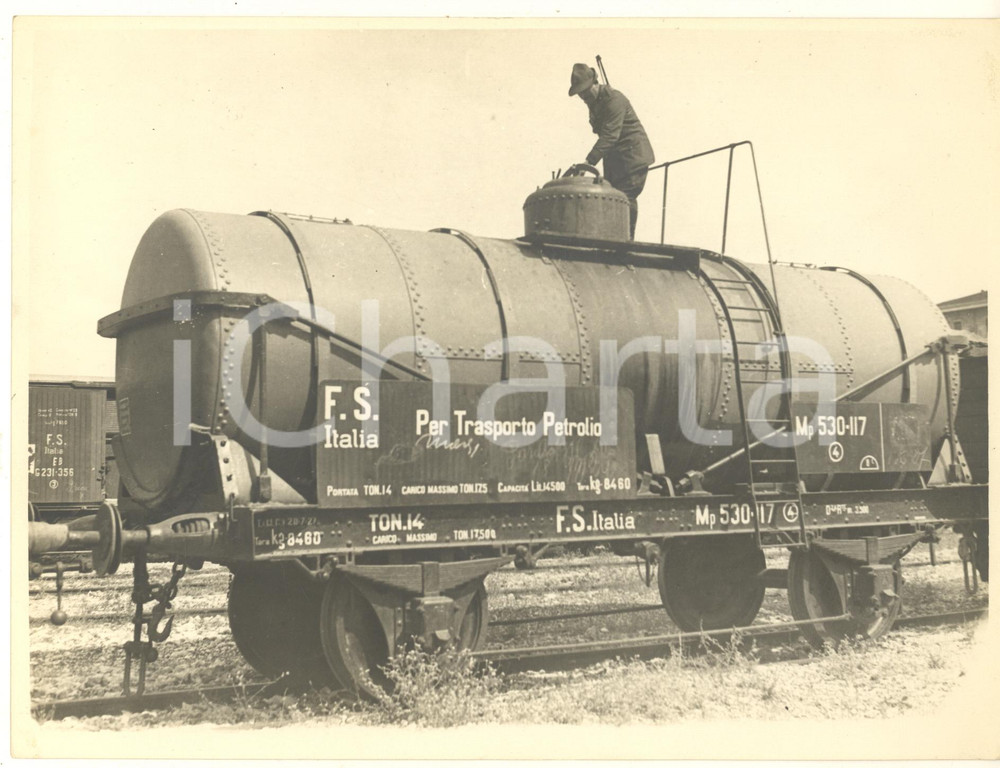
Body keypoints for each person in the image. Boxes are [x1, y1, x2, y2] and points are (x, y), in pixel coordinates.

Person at [568, 63, 655, 240]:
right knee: (613, 198)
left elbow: (609, 135)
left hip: (633, 158)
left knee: (624, 198)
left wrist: (589, 161)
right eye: (580, 94)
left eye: (585, 91)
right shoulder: (595, 103)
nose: (583, 97)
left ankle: (626, 242)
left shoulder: (615, 100)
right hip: (616, 160)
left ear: (595, 83)